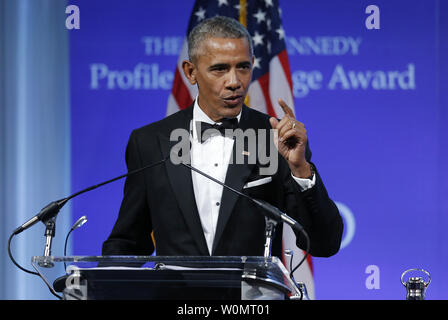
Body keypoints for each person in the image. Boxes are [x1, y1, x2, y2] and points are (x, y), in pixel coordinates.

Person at [102, 16, 343, 259]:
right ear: (191, 72)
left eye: (243, 67)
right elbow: (128, 242)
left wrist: (300, 169)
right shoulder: (150, 142)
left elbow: (324, 243)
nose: (234, 82)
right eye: (220, 69)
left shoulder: (276, 139)